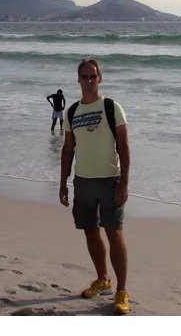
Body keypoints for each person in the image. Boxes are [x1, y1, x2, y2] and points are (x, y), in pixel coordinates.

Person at [58, 59, 131, 314]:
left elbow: (124, 147)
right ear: (78, 80)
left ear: (100, 78)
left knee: (114, 233)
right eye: (84, 77)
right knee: (90, 231)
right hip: (83, 181)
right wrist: (63, 183)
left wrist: (124, 183)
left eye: (93, 76)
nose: (88, 80)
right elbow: (68, 149)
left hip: (110, 180)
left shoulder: (112, 108)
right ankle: (103, 279)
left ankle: (121, 290)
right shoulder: (72, 111)